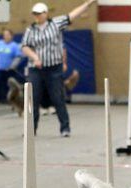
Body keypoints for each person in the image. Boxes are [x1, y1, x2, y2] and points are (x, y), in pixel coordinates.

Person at [21, 1, 97, 137]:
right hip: (36, 68)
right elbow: (25, 46)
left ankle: (65, 128)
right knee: (33, 98)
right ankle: (31, 130)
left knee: (58, 98)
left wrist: (88, 3)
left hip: (54, 68)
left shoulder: (56, 24)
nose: (37, 16)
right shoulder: (30, 30)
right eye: (35, 14)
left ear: (46, 13)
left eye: (39, 14)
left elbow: (73, 15)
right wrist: (34, 57)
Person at [0, 29, 22, 103]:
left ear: (11, 36)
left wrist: (12, 66)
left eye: (8, 35)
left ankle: (7, 99)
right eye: (4, 35)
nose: (6, 36)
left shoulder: (14, 45)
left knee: (8, 85)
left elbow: (18, 57)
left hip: (9, 69)